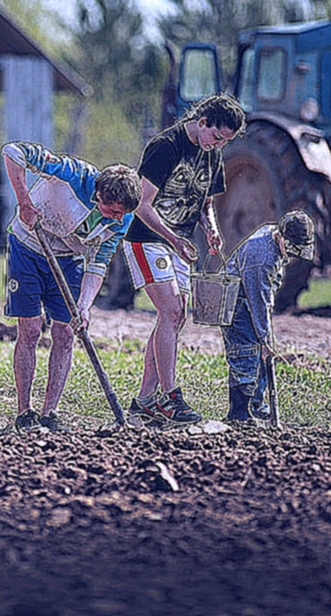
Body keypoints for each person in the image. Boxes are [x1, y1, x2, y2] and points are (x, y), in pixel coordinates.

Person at [122, 93, 247, 428]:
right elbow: (142, 204)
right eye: (217, 136)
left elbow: (205, 201)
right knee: (171, 310)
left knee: (175, 318)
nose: (218, 145)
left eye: (226, 141)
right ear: (202, 121)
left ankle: (145, 401)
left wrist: (211, 229)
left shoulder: (211, 154)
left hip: (179, 243)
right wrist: (174, 238)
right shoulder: (166, 146)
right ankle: (170, 396)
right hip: (148, 238)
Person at [3, 141, 142, 433]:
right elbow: (13, 152)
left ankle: (50, 412)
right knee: (29, 329)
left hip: (67, 259)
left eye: (122, 214)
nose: (117, 219)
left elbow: (98, 262)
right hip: (27, 245)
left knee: (66, 332)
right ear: (99, 194)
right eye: (112, 210)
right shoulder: (70, 173)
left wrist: (84, 306)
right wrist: (25, 202)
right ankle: (24, 412)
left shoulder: (122, 218)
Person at [221, 210, 315, 423]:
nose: (291, 255)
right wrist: (265, 339)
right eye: (291, 248)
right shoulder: (260, 258)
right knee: (246, 355)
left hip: (250, 300)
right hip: (236, 304)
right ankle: (239, 414)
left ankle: (257, 405)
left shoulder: (275, 239)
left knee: (263, 358)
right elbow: (258, 302)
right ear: (280, 237)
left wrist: (265, 341)